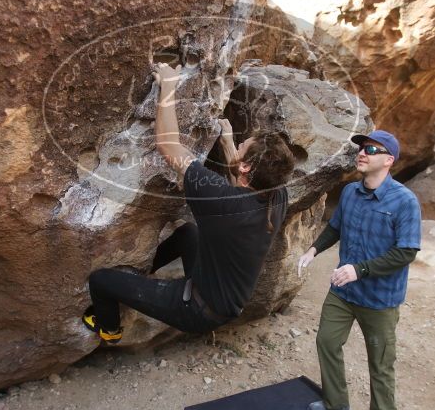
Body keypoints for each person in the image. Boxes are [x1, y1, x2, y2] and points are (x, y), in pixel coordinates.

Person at [82, 63, 295, 343]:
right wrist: (229, 143)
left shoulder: (220, 199)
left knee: (101, 280)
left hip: (197, 310)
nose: (241, 145)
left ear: (246, 168)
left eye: (244, 146)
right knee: (187, 233)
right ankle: (137, 281)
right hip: (228, 300)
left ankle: (109, 329)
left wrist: (168, 87)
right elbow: (242, 182)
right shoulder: (276, 194)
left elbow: (168, 145)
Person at [297, 130, 421, 410]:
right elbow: (335, 227)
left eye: (372, 149)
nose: (362, 153)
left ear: (388, 160)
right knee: (327, 341)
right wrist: (313, 250)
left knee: (380, 363)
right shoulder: (351, 192)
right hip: (344, 291)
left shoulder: (405, 202)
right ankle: (336, 402)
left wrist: (359, 270)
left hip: (380, 299)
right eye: (361, 148)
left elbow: (406, 252)